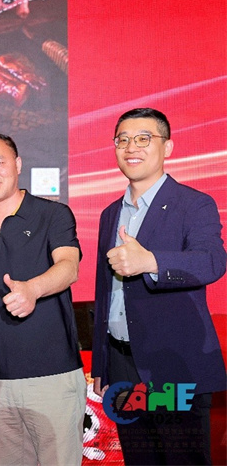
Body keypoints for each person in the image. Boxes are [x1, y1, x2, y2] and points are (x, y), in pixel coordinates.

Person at [91, 108, 226, 465]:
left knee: (182, 459)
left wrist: (151, 262)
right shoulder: (110, 214)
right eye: (122, 140)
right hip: (122, 366)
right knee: (139, 458)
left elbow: (212, 261)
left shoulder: (193, 204)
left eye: (143, 138)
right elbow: (106, 294)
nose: (131, 147)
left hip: (172, 367)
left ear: (167, 147)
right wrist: (103, 365)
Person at [0, 132, 86, 466]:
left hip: (52, 375)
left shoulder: (52, 214)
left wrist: (33, 289)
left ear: (18, 164)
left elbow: (69, 266)